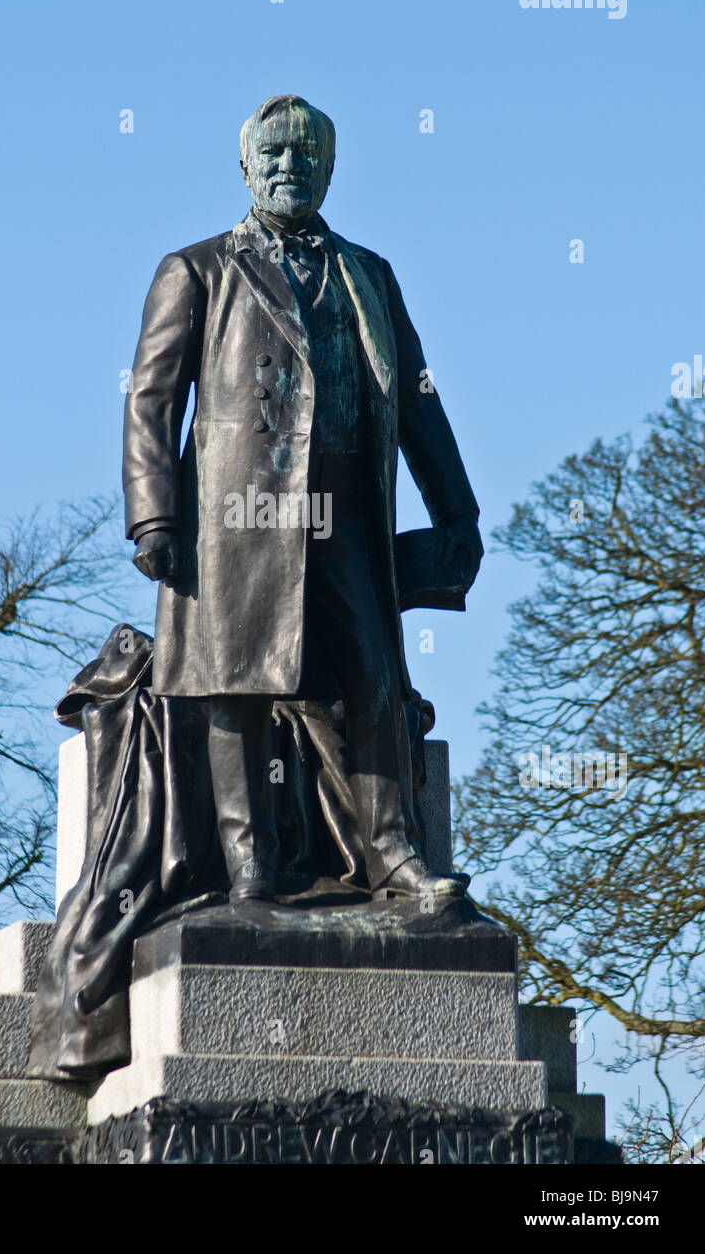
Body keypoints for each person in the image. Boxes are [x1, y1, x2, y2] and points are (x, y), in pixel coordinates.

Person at [123, 94, 482, 904]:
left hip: (349, 506)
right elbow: (150, 400)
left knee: (373, 675)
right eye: (275, 154)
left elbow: (418, 400)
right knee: (237, 680)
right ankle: (248, 866)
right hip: (235, 514)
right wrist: (153, 516)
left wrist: (456, 509)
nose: (291, 166)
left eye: (307, 155)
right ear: (245, 166)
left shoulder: (369, 275)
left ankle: (393, 855)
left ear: (329, 168)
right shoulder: (198, 269)